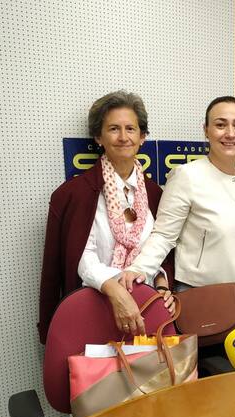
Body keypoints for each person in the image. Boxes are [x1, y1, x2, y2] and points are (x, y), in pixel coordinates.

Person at [38, 91, 174, 343]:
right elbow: (80, 256)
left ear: (142, 137)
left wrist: (163, 284)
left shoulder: (155, 194)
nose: (123, 137)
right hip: (94, 310)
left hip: (147, 311)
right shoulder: (73, 194)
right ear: (98, 137)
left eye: (131, 129)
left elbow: (161, 250)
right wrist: (114, 289)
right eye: (113, 129)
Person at [119, 95, 235, 308]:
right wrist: (139, 269)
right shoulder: (187, 176)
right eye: (220, 125)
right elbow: (164, 235)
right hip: (199, 294)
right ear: (206, 130)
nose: (230, 133)